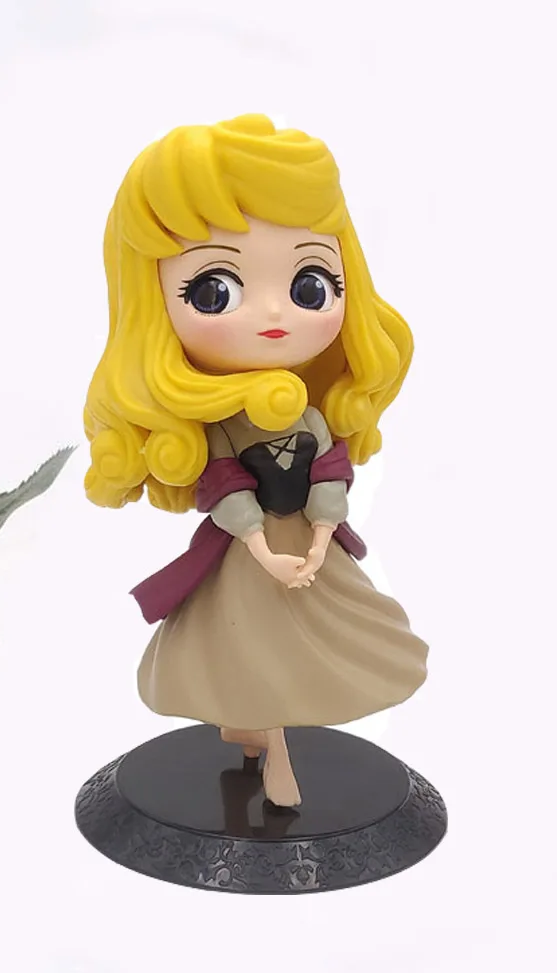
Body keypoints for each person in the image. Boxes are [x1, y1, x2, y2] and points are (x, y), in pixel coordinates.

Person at [83, 114, 428, 807]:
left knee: (319, 645)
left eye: (309, 286)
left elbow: (330, 470)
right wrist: (266, 553)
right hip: (250, 552)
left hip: (311, 547)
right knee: (254, 650)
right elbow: (224, 485)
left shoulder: (310, 411)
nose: (274, 315)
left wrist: (321, 540)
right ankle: (276, 759)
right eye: (215, 290)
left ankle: (249, 730)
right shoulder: (222, 425)